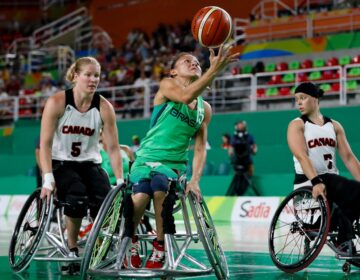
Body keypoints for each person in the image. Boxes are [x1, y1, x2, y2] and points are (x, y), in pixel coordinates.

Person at [125, 46, 238, 269]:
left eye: (197, 61)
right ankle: (131, 240)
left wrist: (195, 180)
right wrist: (213, 70)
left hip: (173, 165)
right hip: (145, 158)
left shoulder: (205, 109)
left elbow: (199, 148)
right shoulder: (167, 86)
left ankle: (160, 245)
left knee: (160, 189)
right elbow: (186, 95)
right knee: (139, 197)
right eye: (187, 61)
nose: (194, 62)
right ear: (173, 72)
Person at [39, 57, 124, 271]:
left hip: (89, 164)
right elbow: (45, 145)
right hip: (62, 163)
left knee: (106, 202)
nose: (93, 79)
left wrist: (121, 180)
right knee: (76, 196)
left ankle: (102, 248)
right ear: (76, 76)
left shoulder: (104, 107)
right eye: (88, 74)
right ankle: (72, 248)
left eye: (96, 75)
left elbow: (113, 148)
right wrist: (47, 177)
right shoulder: (57, 102)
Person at [288, 82, 360, 253]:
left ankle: (335, 235)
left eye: (303, 98)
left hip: (331, 182)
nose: (299, 103)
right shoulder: (297, 125)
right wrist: (316, 181)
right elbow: (301, 156)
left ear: (316, 99)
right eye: (297, 99)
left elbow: (349, 158)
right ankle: (343, 240)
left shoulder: (334, 126)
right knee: (352, 190)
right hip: (308, 182)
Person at [226, 120, 257, 196]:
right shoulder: (234, 138)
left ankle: (241, 193)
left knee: (247, 179)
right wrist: (231, 153)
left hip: (248, 162)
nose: (240, 127)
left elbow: (254, 147)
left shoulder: (250, 137)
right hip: (237, 162)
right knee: (237, 181)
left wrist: (254, 150)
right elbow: (231, 149)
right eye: (238, 125)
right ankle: (236, 193)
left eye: (241, 125)